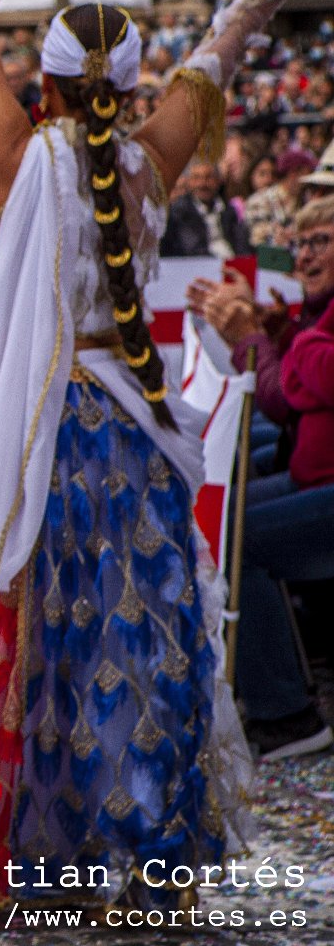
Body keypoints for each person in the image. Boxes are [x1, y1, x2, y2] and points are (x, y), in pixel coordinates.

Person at [0, 0, 326, 910]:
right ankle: (139, 840)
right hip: (134, 433)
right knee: (135, 639)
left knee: (42, 642)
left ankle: (41, 850)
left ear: (41, 81)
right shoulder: (155, 153)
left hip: (40, 443)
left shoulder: (9, 155)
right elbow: (231, 38)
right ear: (135, 85)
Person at [188, 196, 334, 760]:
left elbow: (286, 391)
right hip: (313, 470)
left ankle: (289, 716)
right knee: (221, 516)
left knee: (236, 540)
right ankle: (282, 661)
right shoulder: (319, 316)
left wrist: (258, 340)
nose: (305, 256)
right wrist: (276, 339)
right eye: (302, 243)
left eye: (321, 241)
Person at [162, 158, 252, 258]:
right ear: (189, 182)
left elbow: (241, 245)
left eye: (208, 177)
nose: (202, 184)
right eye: (197, 178)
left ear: (218, 180)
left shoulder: (228, 210)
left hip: (232, 264)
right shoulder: (179, 211)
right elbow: (192, 249)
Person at [244, 145, 318, 248]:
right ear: (294, 174)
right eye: (308, 173)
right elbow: (257, 238)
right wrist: (279, 235)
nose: (310, 181)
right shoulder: (260, 200)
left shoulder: (306, 201)